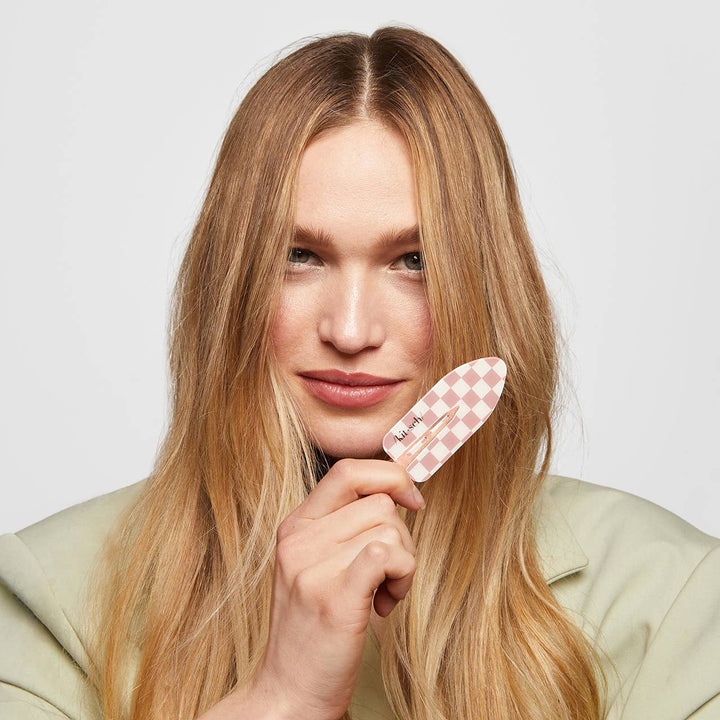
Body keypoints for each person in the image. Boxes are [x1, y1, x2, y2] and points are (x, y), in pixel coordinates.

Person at [1, 26, 718, 720]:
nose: (349, 331)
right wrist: (281, 699)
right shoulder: (50, 597)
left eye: (415, 262)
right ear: (231, 283)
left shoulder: (670, 598)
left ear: (487, 285)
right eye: (299, 256)